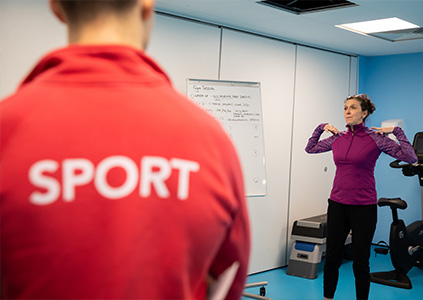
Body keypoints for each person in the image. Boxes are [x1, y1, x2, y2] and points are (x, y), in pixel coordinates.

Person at [0, 0, 250, 299]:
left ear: (56, 6)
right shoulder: (210, 138)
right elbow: (228, 274)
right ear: (146, 4)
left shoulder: (8, 129)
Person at [305, 94, 417, 300]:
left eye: (353, 108)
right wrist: (321, 127)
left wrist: (397, 132)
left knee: (360, 260)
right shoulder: (338, 138)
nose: (347, 111)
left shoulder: (377, 139)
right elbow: (310, 148)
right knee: (332, 257)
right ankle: (327, 297)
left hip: (363, 207)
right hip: (337, 204)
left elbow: (410, 157)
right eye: (345, 108)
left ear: (364, 113)